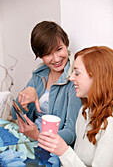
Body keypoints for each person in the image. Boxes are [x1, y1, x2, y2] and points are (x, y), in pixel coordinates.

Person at [11, 21, 81, 166]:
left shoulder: (73, 80)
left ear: (66, 45)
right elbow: (15, 114)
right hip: (29, 136)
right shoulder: (39, 74)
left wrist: (38, 135)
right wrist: (25, 95)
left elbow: (71, 133)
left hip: (51, 147)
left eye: (59, 49)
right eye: (48, 54)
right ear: (39, 55)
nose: (56, 59)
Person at [38, 46, 113, 167]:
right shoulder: (85, 111)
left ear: (97, 78)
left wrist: (63, 151)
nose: (71, 77)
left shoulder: (110, 124)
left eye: (77, 73)